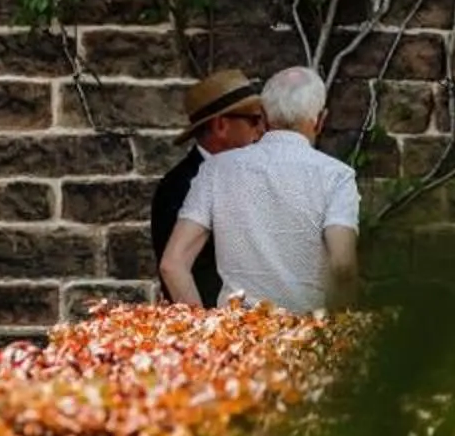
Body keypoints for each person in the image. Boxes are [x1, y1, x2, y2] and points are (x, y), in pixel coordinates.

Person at [161, 65, 360, 313]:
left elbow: (172, 263)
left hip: (237, 334)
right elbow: (343, 265)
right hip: (307, 335)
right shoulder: (337, 176)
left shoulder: (216, 169)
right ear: (320, 120)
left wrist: (201, 328)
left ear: (264, 115)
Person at [150, 68, 265, 310]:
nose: (261, 130)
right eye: (254, 120)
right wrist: (206, 333)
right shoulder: (178, 186)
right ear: (221, 125)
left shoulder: (249, 174)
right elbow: (174, 270)